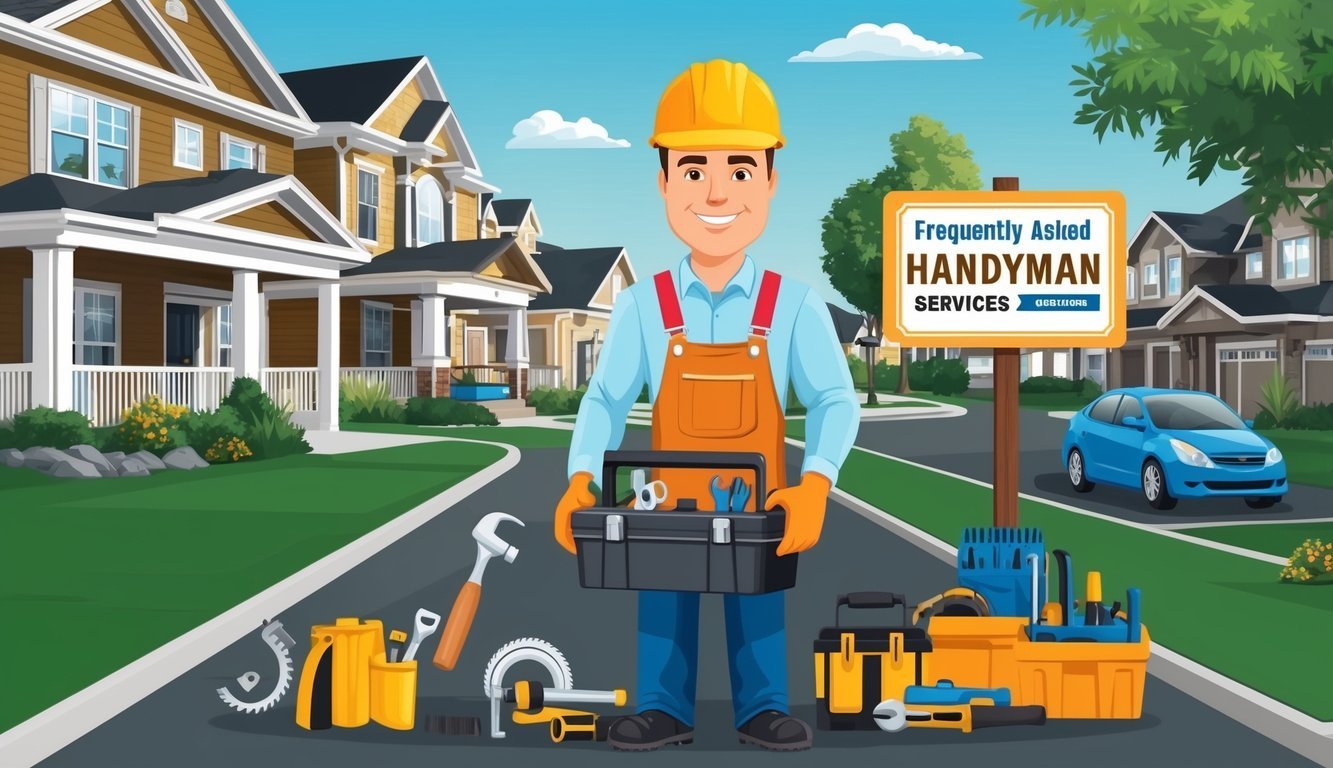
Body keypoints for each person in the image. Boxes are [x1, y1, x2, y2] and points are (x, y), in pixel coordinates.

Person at [553, 59, 860, 752]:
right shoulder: (641, 307)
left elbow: (835, 398)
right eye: (693, 170)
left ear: (771, 180)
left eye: (741, 170)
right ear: (663, 181)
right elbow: (603, 399)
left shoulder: (791, 306)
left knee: (757, 603)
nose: (716, 192)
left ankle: (762, 705)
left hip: (758, 508)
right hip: (666, 504)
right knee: (662, 600)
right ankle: (664, 704)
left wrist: (815, 483)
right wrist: (578, 478)